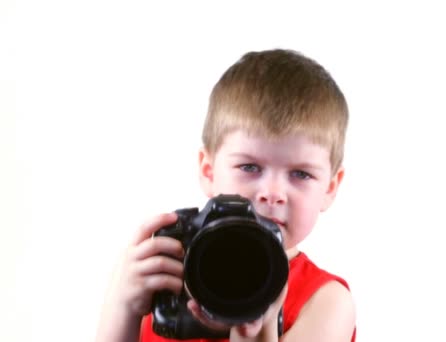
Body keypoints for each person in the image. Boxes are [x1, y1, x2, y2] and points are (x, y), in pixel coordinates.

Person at [95, 49, 356, 342]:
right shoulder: (169, 267)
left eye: (301, 174)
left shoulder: (326, 303)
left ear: (330, 189)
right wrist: (124, 305)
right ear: (208, 171)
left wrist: (255, 329)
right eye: (250, 166)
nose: (273, 194)